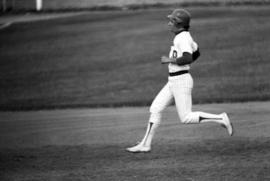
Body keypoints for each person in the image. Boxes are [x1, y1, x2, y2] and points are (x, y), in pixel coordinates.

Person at [126, 9, 233, 153]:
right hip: (174, 81)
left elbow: (188, 57)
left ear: (179, 24)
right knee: (156, 108)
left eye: (172, 21)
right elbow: (197, 52)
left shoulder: (182, 38)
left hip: (181, 81)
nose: (169, 23)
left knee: (186, 117)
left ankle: (220, 118)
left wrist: (169, 60)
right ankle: (145, 144)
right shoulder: (184, 36)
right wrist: (182, 62)